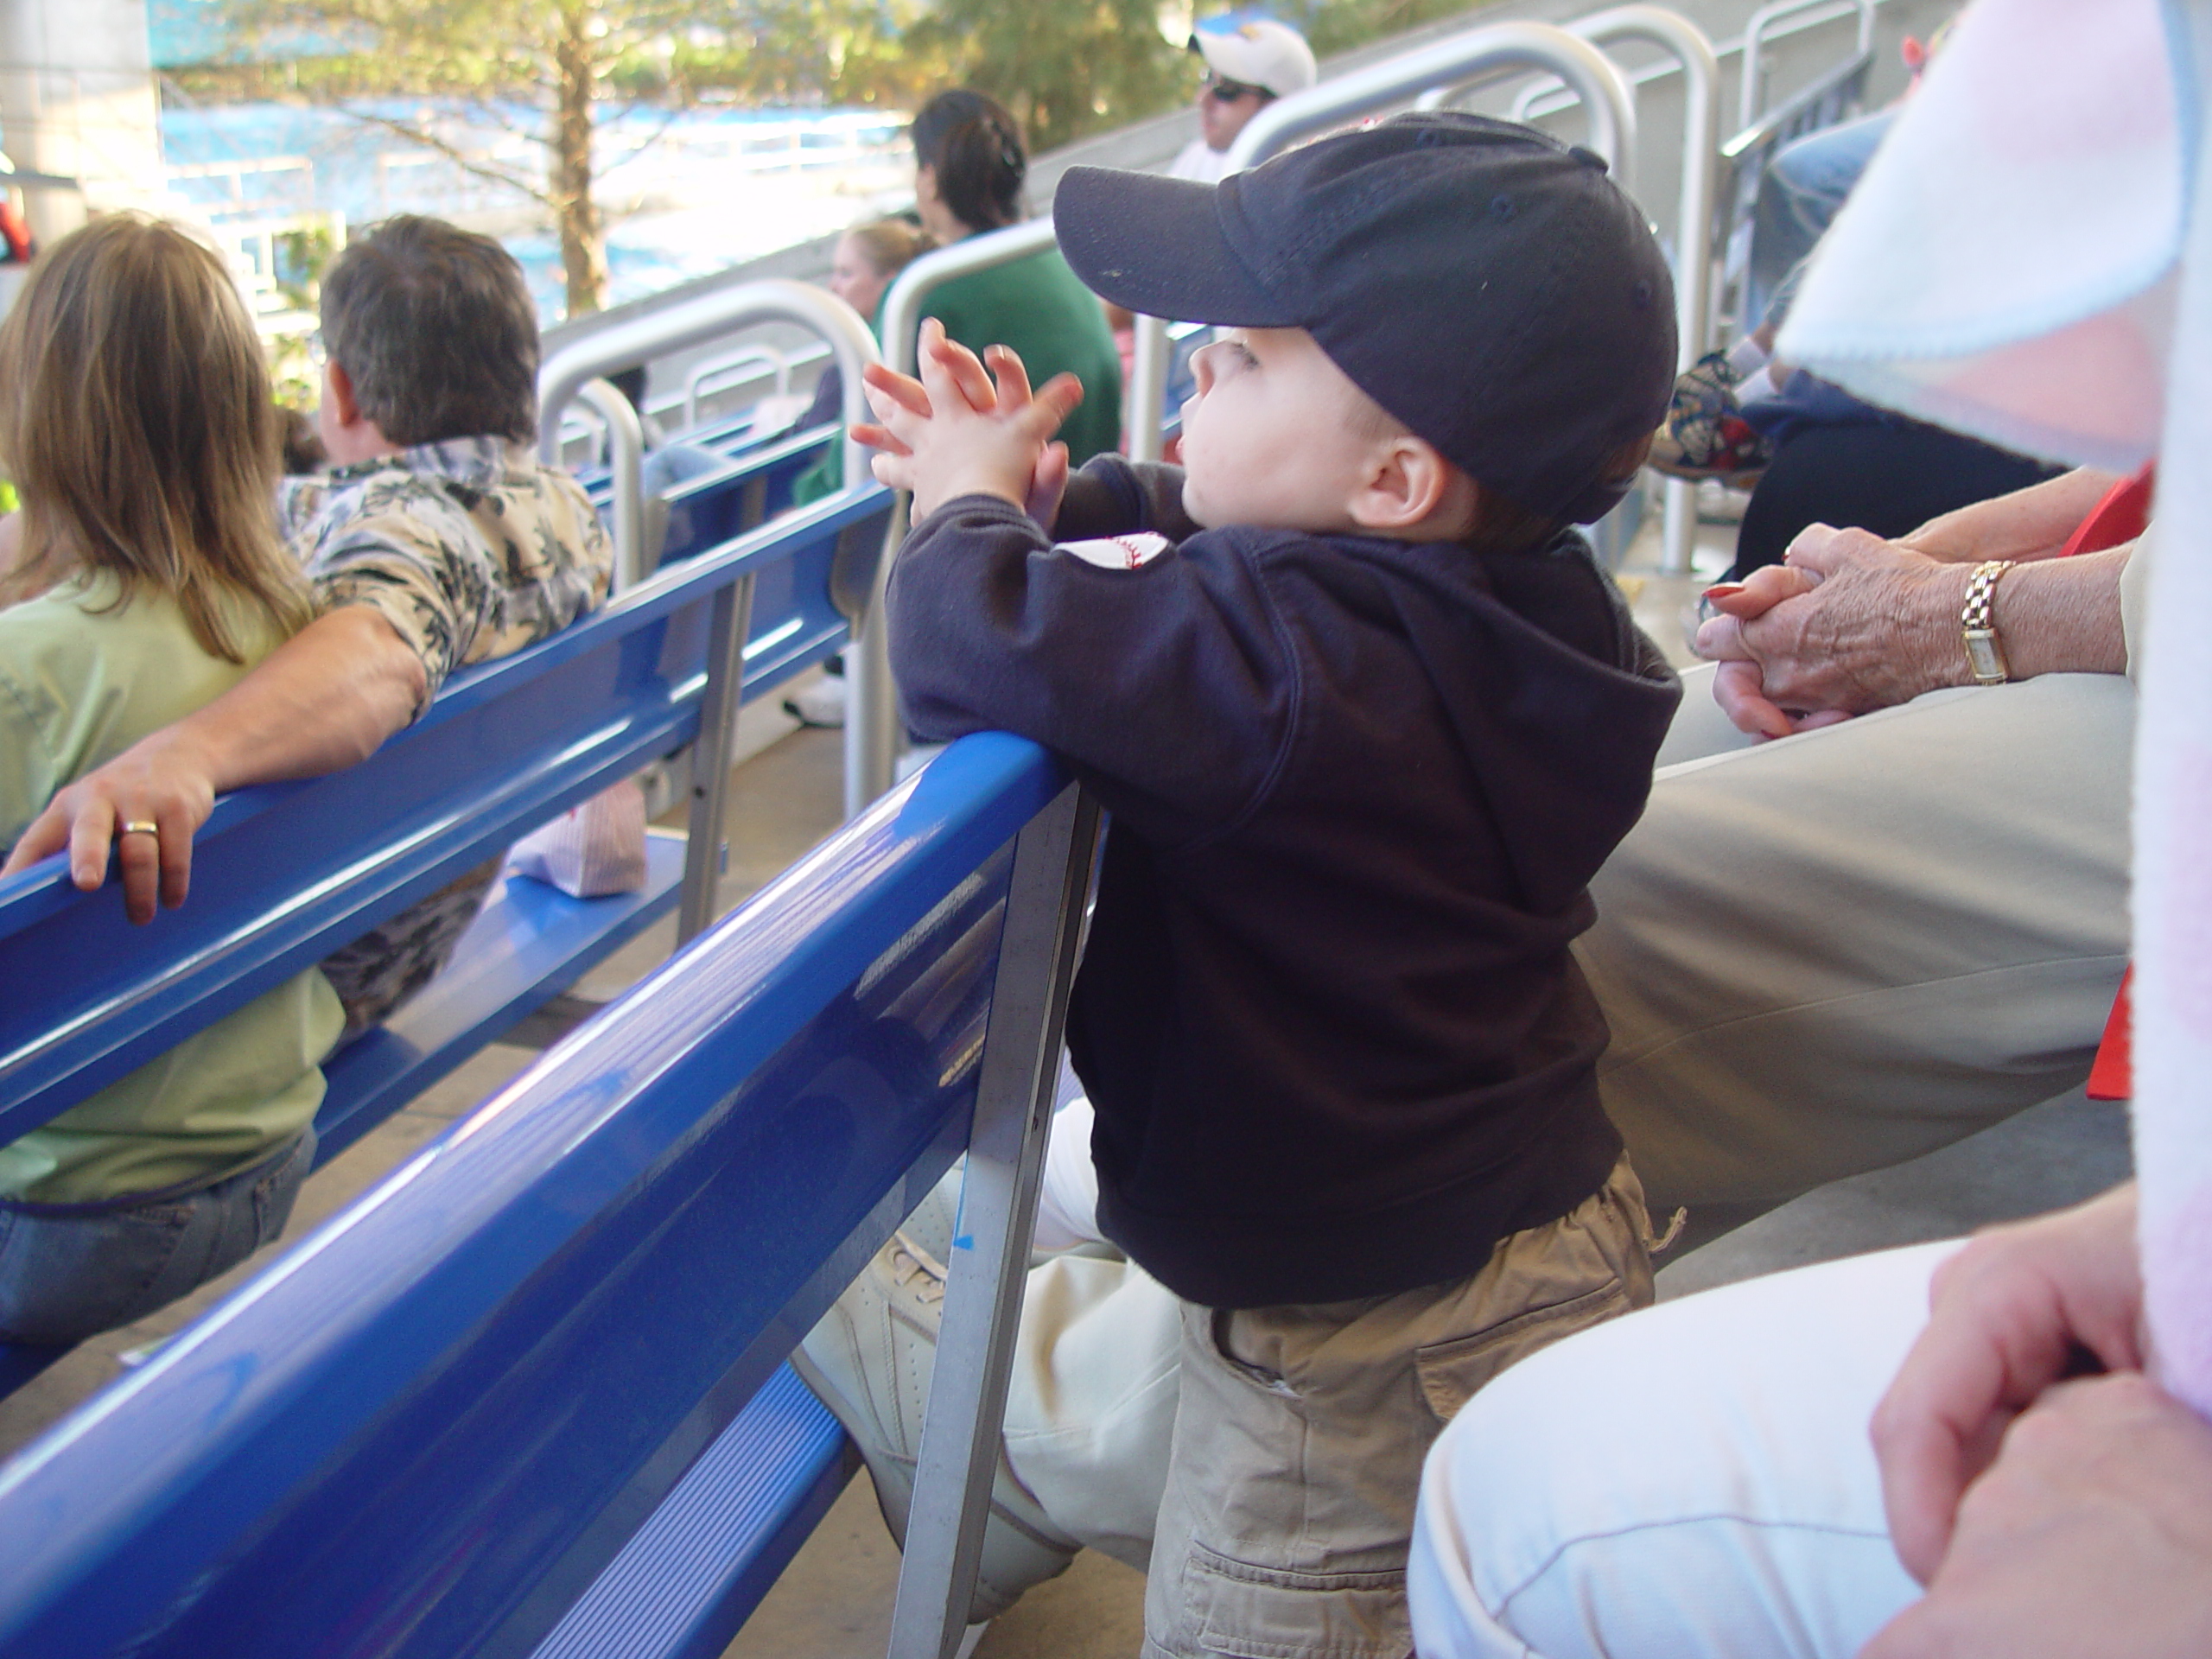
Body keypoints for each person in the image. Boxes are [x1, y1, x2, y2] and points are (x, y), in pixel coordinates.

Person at [826, 111, 1681, 1654]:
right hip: (1531, 1228)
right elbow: (1210, 547)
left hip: (1344, 1375)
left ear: (1400, 477)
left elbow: (967, 640)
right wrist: (1053, 495)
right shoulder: (1528, 614)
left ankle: (991, 1457)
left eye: (1246, 358)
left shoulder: (1285, 666)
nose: (1196, 365)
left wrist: (962, 506)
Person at [0, 216, 613, 1026]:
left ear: (344, 389)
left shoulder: (405, 523)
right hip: (417, 915)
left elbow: (381, 648)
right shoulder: (567, 510)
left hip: (311, 978)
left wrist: (188, 754)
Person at [0, 216, 345, 1343]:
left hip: (70, 1224)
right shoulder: (296, 627)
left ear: (37, 421)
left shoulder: (27, 664)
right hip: (276, 1153)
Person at [904, 89, 1122, 467]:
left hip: (992, 513)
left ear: (929, 178)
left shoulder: (923, 293)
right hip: (1094, 502)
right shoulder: (1063, 258)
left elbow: (857, 461)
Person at [787, 216, 936, 509]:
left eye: (846, 274)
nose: (833, 286)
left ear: (889, 282)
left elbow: (831, 464)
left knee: (672, 460)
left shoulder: (865, 364)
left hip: (807, 505)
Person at [1166, 18, 1319, 183]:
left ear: (1276, 107)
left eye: (1225, 88)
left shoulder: (1299, 184)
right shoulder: (1196, 159)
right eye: (1209, 77)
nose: (1202, 99)